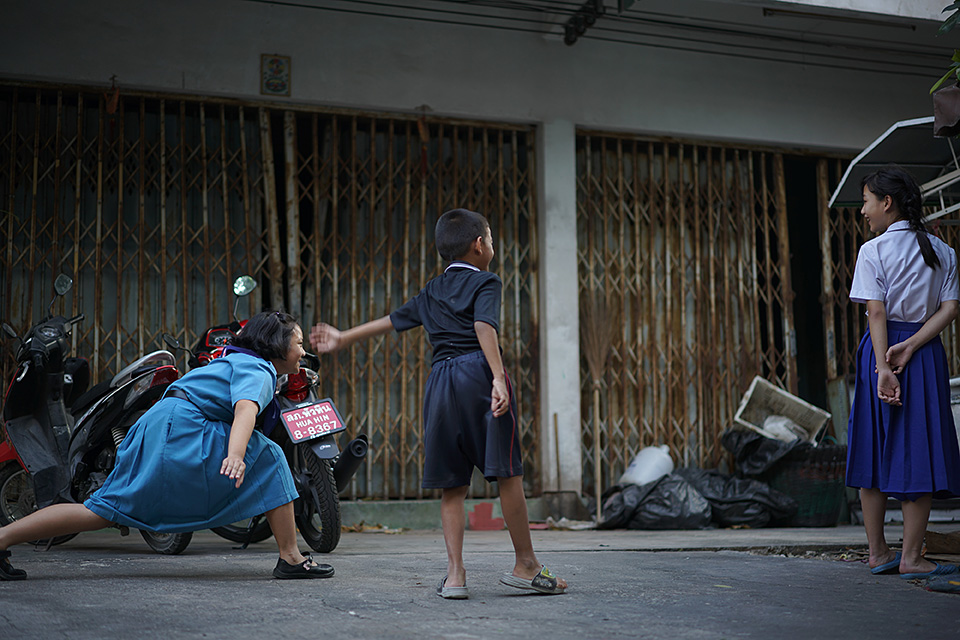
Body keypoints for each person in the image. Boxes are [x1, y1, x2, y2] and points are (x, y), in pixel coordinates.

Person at [310, 208, 567, 599]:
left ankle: (455, 577)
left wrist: (344, 337)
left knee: (452, 485)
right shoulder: (487, 282)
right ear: (479, 245)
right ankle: (526, 565)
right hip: (478, 376)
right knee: (508, 474)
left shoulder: (432, 290)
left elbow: (393, 320)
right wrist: (498, 378)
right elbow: (484, 326)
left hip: (440, 383)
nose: (492, 245)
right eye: (492, 239)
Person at [0, 310, 334, 581]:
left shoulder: (238, 359)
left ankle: (2, 539)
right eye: (299, 343)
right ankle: (290, 557)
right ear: (277, 345)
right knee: (272, 456)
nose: (304, 351)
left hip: (162, 425)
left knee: (100, 511)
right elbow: (245, 408)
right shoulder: (259, 369)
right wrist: (235, 454)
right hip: (182, 428)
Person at [846, 165, 960, 580]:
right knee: (921, 448)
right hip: (924, 353)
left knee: (873, 447)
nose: (863, 211)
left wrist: (882, 366)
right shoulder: (942, 251)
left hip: (881, 351)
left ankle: (878, 553)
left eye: (866, 202)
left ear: (886, 202)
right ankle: (912, 556)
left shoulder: (872, 251)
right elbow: (949, 309)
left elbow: (876, 311)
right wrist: (912, 346)